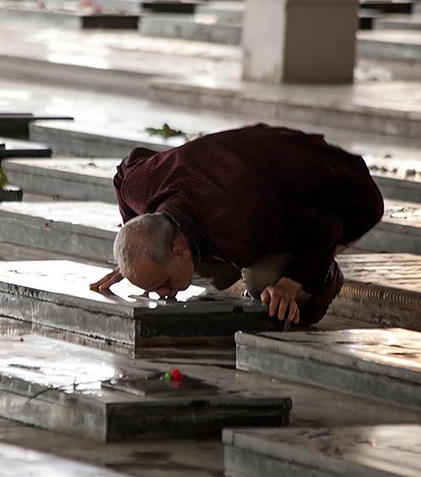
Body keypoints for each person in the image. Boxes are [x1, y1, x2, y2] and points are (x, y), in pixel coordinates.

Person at [89, 123, 384, 326]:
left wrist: (290, 284)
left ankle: (325, 277)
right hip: (255, 166)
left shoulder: (246, 227)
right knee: (222, 261)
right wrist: (137, 247)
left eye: (162, 284)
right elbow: (126, 168)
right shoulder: (140, 186)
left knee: (262, 285)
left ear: (178, 249)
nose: (163, 294)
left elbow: (326, 226)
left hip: (343, 193)